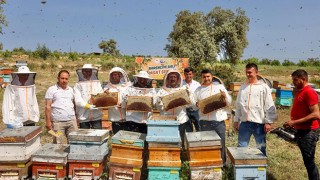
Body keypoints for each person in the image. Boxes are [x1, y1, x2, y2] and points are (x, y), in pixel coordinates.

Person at [233, 63, 276, 156]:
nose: (248, 74)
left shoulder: (263, 87)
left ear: (256, 72)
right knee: (241, 147)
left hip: (259, 123)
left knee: (261, 148)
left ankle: (261, 169)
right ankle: (242, 168)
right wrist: (236, 120)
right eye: (246, 72)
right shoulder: (243, 87)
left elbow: (269, 105)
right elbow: (238, 105)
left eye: (250, 72)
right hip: (245, 123)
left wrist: (268, 122)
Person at [284, 69, 319, 180]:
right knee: (307, 161)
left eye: (295, 80)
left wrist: (294, 122)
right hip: (301, 130)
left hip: (309, 132)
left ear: (303, 79)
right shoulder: (301, 91)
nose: (293, 82)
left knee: (309, 162)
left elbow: (316, 114)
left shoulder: (309, 92)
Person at [194, 69, 232, 165]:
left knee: (221, 143)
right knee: (207, 144)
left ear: (212, 76)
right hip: (204, 121)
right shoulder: (198, 90)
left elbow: (229, 101)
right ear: (201, 78)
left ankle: (222, 164)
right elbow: (193, 104)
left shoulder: (219, 87)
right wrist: (197, 104)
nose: (206, 78)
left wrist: (225, 97)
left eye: (208, 76)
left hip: (218, 121)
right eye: (204, 77)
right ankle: (208, 163)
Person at [156, 70, 193, 146]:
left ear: (178, 78)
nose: (172, 79)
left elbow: (190, 105)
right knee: (167, 141)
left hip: (181, 119)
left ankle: (180, 155)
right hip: (166, 120)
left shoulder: (183, 89)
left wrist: (188, 96)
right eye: (170, 77)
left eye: (174, 77)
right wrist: (159, 101)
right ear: (167, 79)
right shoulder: (162, 91)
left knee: (180, 141)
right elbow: (159, 107)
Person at [45, 70, 77, 144]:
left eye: (66, 79)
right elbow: (47, 107)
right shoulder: (51, 90)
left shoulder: (71, 90)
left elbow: (73, 105)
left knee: (74, 142)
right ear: (58, 78)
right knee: (59, 143)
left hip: (71, 122)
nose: (64, 80)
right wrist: (48, 122)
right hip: (58, 123)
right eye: (62, 78)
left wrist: (76, 117)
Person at [74, 64, 103, 129]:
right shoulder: (78, 85)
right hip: (83, 115)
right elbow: (77, 99)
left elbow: (100, 94)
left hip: (96, 114)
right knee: (85, 136)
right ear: (82, 72)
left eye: (89, 71)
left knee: (98, 135)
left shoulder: (97, 83)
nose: (88, 73)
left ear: (92, 72)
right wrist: (87, 106)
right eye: (86, 71)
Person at [103, 67, 131, 134]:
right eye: (113, 75)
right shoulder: (107, 87)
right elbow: (102, 98)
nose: (114, 76)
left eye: (116, 75)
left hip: (126, 115)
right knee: (116, 135)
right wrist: (105, 93)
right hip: (115, 115)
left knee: (127, 135)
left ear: (120, 75)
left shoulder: (127, 86)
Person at [183, 67, 201, 131]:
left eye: (190, 74)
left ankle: (200, 141)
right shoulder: (180, 84)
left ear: (193, 74)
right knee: (188, 130)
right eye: (186, 74)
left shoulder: (197, 84)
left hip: (196, 110)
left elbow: (200, 96)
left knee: (199, 128)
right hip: (185, 111)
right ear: (184, 75)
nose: (188, 76)